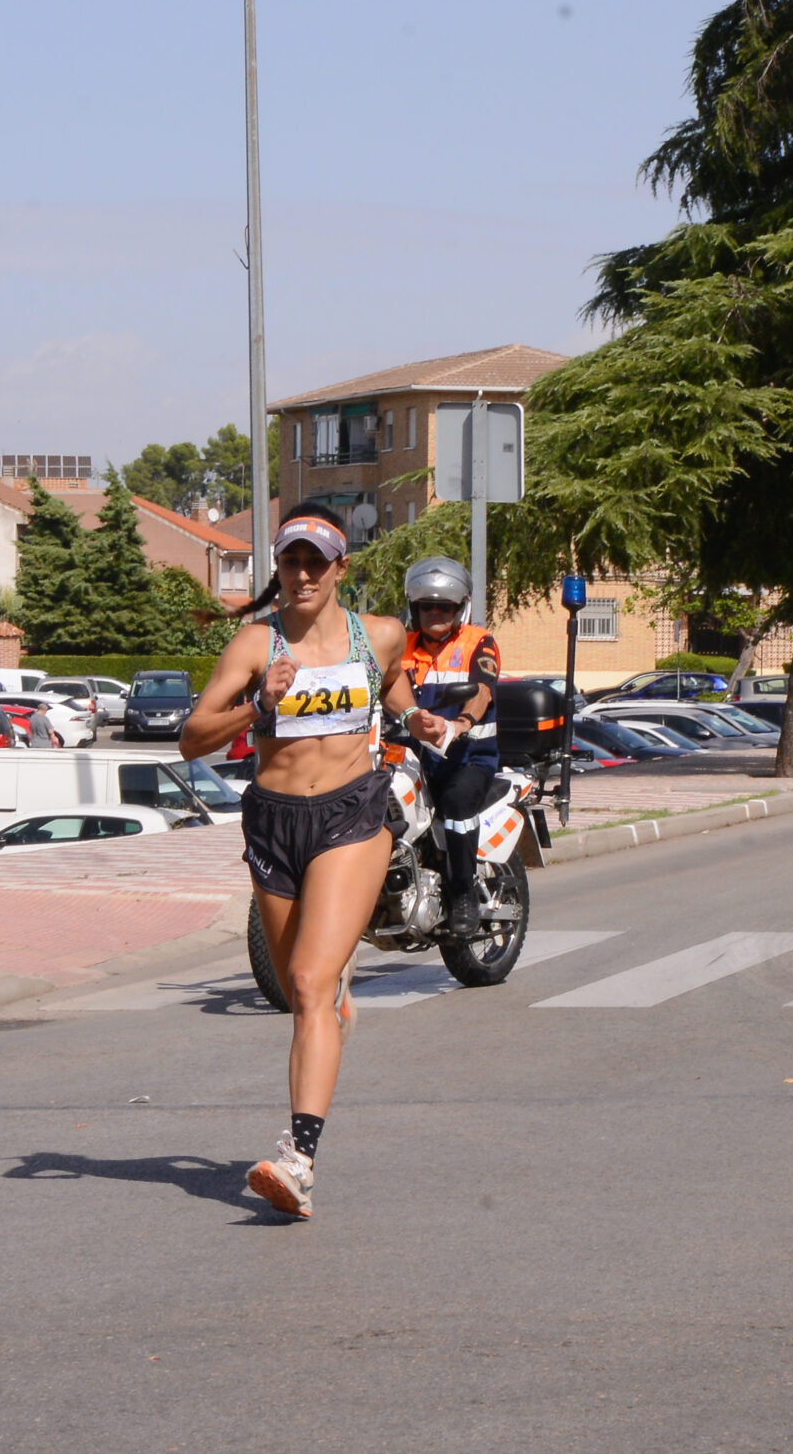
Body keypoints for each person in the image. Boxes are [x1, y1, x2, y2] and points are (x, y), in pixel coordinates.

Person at [180, 502, 410, 1220]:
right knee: (301, 995)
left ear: (341, 567)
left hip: (352, 814)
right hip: (274, 823)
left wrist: (422, 718)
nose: (303, 574)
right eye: (291, 561)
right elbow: (192, 738)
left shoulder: (379, 634)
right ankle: (334, 1002)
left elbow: (394, 687)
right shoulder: (257, 643)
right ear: (278, 568)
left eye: (316, 561)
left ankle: (298, 1161)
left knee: (309, 983)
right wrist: (258, 704)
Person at [395, 557, 501, 943]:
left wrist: (461, 723)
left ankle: (463, 894)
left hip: (468, 758)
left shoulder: (478, 642)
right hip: (412, 759)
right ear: (414, 608)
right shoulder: (400, 647)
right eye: (427, 606)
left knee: (457, 805)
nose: (435, 613)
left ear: (460, 608)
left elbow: (482, 690)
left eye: (444, 606)